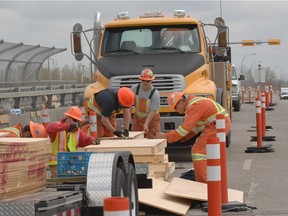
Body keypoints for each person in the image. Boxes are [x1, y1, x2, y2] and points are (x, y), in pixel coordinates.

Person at [156, 92, 231, 183]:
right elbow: (194, 129)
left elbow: (184, 129)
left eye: (175, 107)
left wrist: (165, 136)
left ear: (180, 102)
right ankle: (208, 180)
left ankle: (203, 182)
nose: (175, 110)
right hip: (218, 125)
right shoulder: (194, 104)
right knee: (204, 152)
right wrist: (182, 139)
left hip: (216, 126)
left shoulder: (194, 106)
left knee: (198, 151)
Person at [46, 106, 100, 178]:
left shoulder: (77, 132)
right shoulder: (58, 127)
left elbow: (85, 139)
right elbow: (50, 128)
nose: (76, 123)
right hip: (57, 163)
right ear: (67, 117)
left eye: (78, 121)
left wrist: (92, 140)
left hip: (71, 163)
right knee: (62, 181)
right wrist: (67, 126)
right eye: (75, 120)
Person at [130, 69, 160, 138]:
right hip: (137, 119)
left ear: (151, 81)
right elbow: (129, 104)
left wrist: (146, 124)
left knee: (153, 139)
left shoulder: (155, 94)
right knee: (135, 138)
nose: (145, 83)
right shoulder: (134, 88)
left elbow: (153, 111)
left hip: (152, 120)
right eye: (143, 80)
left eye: (148, 81)